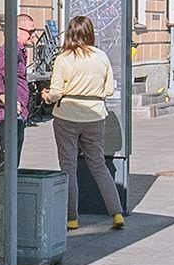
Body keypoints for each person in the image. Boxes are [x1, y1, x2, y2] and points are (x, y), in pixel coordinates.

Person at [43, 15, 125, 232]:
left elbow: (56, 92)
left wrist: (47, 97)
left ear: (70, 33)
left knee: (68, 167)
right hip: (95, 116)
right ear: (90, 33)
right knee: (98, 165)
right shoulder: (101, 57)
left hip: (67, 115)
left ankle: (72, 218)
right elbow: (109, 90)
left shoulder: (63, 58)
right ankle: (116, 212)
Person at [0, 14, 34, 168]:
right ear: (16, 31)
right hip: (8, 115)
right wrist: (8, 101)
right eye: (29, 32)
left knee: (12, 159)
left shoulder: (18, 49)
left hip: (16, 114)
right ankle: (4, 184)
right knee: (8, 161)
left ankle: (8, 184)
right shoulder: (12, 48)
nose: (32, 36)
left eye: (34, 32)